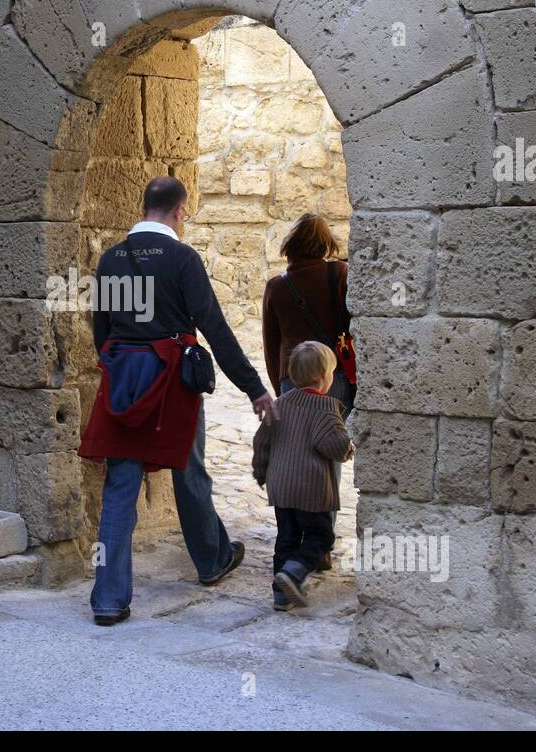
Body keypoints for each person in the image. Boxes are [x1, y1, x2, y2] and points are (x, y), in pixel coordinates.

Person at [78, 176, 276, 626]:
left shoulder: (112, 259)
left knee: (119, 487)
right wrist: (255, 388)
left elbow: (102, 331)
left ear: (144, 205)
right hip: (173, 383)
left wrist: (120, 365)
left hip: (125, 379)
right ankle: (211, 560)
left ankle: (108, 599)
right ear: (180, 211)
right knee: (189, 473)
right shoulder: (183, 258)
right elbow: (216, 328)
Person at [251, 341, 354, 611]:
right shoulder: (326, 409)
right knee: (321, 537)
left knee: (287, 537)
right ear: (324, 378)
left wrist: (261, 473)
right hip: (312, 489)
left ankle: (281, 595)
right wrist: (349, 446)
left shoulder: (280, 404)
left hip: (281, 487)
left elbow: (262, 442)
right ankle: (295, 572)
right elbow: (335, 447)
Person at [261, 213, 353, 410]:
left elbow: (271, 346)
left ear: (291, 245)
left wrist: (280, 388)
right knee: (335, 435)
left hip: (293, 378)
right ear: (325, 244)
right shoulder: (338, 273)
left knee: (299, 437)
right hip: (332, 372)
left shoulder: (276, 287)